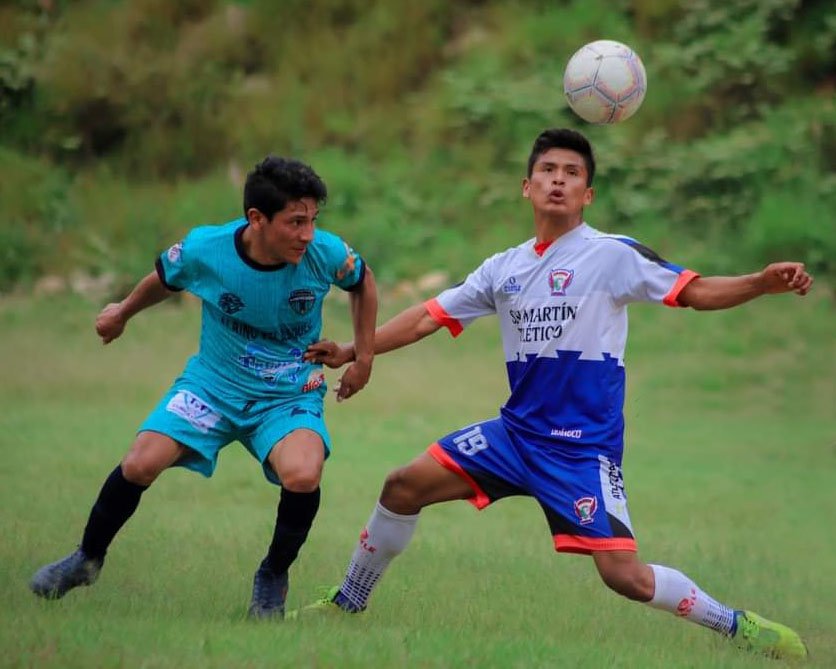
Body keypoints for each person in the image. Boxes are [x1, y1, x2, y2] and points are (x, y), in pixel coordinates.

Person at [300, 129, 812, 659]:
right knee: (402, 485)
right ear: (527, 186)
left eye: (572, 174)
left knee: (625, 577)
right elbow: (429, 317)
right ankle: (348, 602)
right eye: (548, 171)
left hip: (580, 450)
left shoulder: (612, 255)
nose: (559, 181)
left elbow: (695, 291)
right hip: (514, 436)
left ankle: (737, 626)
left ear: (588, 195)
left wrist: (758, 282)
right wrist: (355, 350)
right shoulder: (505, 267)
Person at [29, 156, 378, 619]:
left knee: (303, 473)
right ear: (256, 218)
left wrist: (364, 357)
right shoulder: (206, 248)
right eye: (296, 222)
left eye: (312, 220)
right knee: (139, 462)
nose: (307, 234)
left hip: (288, 391)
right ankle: (85, 559)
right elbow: (165, 279)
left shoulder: (325, 254)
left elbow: (364, 283)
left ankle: (273, 575)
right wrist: (121, 313)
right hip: (213, 385)